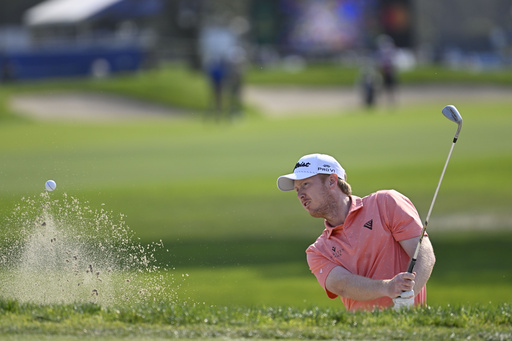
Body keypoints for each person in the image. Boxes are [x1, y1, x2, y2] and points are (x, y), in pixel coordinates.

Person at [277, 153, 436, 311]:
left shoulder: (386, 203)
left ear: (332, 181)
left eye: (305, 184)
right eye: (297, 189)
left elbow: (424, 253)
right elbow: (342, 285)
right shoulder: (317, 251)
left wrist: (408, 295)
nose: (300, 195)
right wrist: (388, 287)